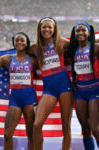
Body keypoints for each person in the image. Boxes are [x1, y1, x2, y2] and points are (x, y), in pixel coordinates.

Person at [0, 32, 38, 150]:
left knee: (31, 135)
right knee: (7, 134)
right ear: (14, 43)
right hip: (15, 99)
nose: (19, 42)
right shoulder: (7, 59)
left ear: (27, 43)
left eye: (22, 40)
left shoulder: (33, 60)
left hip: (29, 99)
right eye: (17, 40)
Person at [29, 17, 74, 150]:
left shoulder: (61, 42)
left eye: (50, 27)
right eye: (44, 27)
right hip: (49, 89)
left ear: (54, 29)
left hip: (65, 86)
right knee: (37, 125)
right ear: (40, 29)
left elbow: (83, 45)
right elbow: (17, 54)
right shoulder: (34, 48)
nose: (47, 29)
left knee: (66, 125)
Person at [67, 22, 99, 150]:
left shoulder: (96, 47)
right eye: (78, 31)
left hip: (95, 90)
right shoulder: (72, 50)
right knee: (86, 130)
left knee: (95, 129)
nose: (80, 33)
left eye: (83, 30)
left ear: (89, 33)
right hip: (80, 92)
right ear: (74, 34)